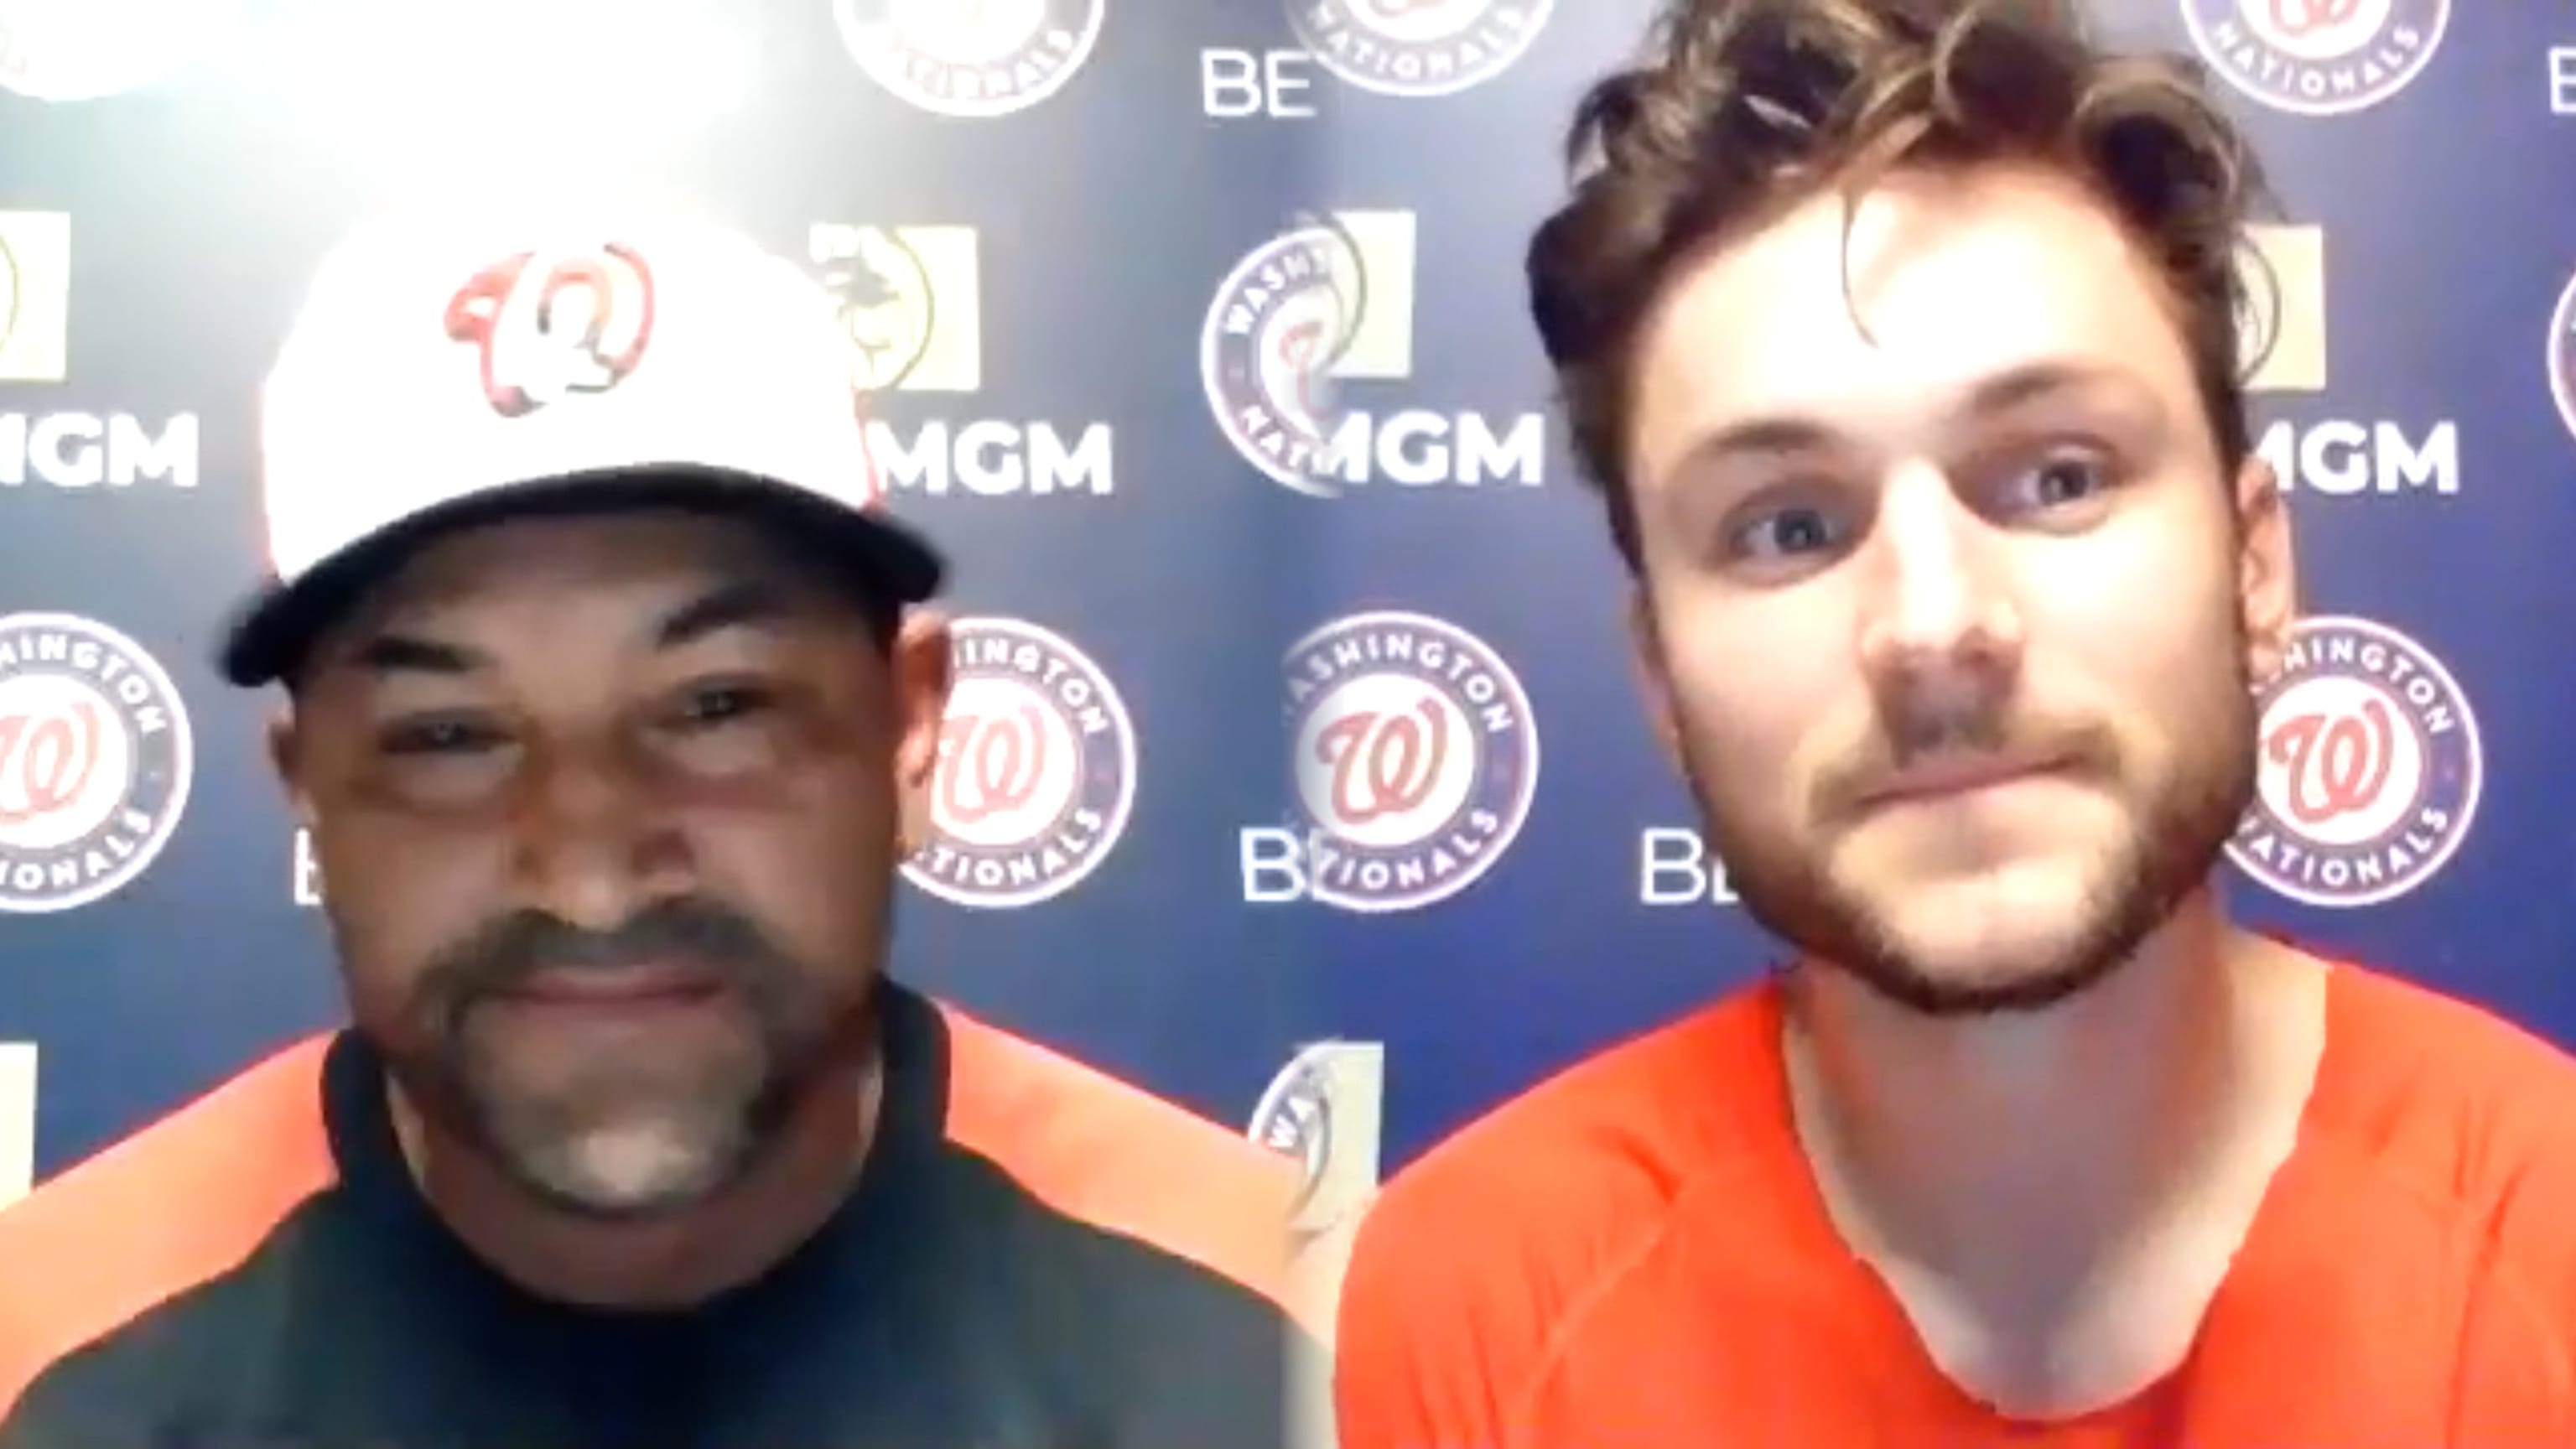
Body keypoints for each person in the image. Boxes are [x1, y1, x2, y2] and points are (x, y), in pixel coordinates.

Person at [1332, 2, 2576, 1444]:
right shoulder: (1470, 1309)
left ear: (2254, 569)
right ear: (1664, 683)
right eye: (1789, 525)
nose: (1933, 626)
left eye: (2056, 477)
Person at [0, 210, 1317, 1448]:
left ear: (911, 731)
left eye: (716, 706)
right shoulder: (39, 1361)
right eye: (449, 736)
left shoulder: (1309, 1340)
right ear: (310, 790)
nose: (586, 875)